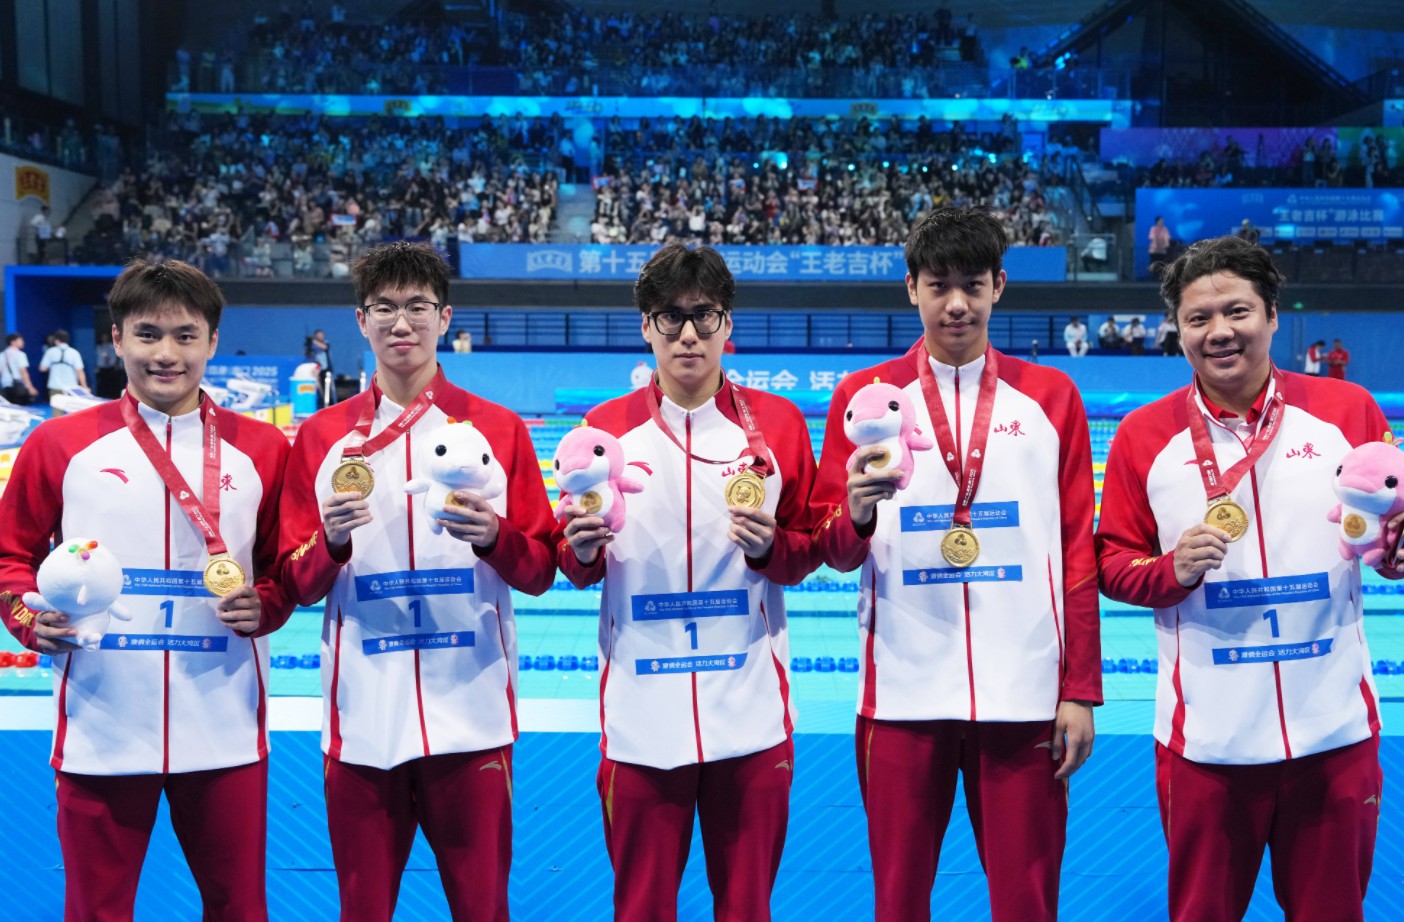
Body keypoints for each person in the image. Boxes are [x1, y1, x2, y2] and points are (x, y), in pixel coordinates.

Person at [1095, 235, 1401, 922]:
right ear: (1177, 330)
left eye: (1237, 311)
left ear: (1272, 315)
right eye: (1198, 318)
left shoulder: (1348, 412)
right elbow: (1111, 562)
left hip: (1333, 734)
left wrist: (1396, 554)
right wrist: (1168, 570)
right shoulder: (1143, 436)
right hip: (1207, 741)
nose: (1219, 332)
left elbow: (1389, 532)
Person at [809, 206, 1100, 921]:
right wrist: (856, 512)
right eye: (939, 285)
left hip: (1025, 695)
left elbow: (1076, 551)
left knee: (1027, 902)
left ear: (1000, 285)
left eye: (973, 284)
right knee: (899, 900)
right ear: (912, 288)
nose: (957, 303)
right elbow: (832, 550)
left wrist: (1080, 690)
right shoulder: (864, 399)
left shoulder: (1051, 398)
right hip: (902, 697)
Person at [0, 258, 295, 920]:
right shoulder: (59, 444)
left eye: (185, 335)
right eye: (148, 334)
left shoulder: (264, 450)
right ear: (117, 338)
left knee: (239, 907)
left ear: (213, 340)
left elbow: (284, 567)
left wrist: (269, 603)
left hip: (224, 723)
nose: (167, 354)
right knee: (96, 909)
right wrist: (26, 618)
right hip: (101, 721)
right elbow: (9, 555)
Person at [278, 241, 556, 922]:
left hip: (473, 716)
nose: (401, 323)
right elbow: (294, 582)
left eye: (417, 307)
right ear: (361, 320)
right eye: (385, 308)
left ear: (445, 317)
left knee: (483, 909)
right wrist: (331, 543)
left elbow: (542, 571)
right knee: (363, 910)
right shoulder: (321, 438)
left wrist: (494, 536)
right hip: (362, 718)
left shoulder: (499, 430)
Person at [556, 243, 818, 921]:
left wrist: (774, 548)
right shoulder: (602, 431)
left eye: (705, 316)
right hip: (642, 718)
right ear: (646, 326)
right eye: (670, 318)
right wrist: (580, 552)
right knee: (641, 907)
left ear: (728, 324)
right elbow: (571, 564)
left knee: (747, 908)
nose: (689, 334)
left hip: (751, 715)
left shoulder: (779, 425)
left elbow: (807, 552)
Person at [39, 329, 87, 410]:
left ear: (56, 340)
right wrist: (84, 386)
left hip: (55, 386)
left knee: (57, 413)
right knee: (72, 412)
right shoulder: (74, 352)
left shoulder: (50, 352)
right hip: (71, 388)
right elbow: (80, 371)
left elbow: (42, 368)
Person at [1, 333, 38, 405]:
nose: (23, 342)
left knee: (9, 409)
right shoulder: (20, 354)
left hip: (5, 386)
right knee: (21, 408)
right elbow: (23, 371)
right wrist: (30, 387)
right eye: (20, 340)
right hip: (18, 387)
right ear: (13, 342)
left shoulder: (1, 355)